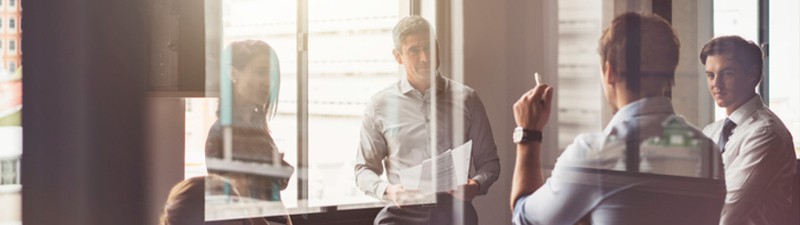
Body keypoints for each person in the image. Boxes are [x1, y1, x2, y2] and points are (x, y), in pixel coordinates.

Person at [510, 12, 726, 225]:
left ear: (610, 71)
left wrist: (528, 133)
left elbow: (524, 216)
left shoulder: (596, 153)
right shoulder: (708, 152)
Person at [354, 15, 500, 225]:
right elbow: (363, 170)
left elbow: (490, 163)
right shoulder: (379, 106)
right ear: (398, 56)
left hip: (454, 211)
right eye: (414, 50)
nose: (425, 57)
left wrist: (476, 185)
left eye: (429, 47)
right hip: (401, 212)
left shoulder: (467, 99)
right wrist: (387, 190)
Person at [699, 35, 796, 225]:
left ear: (752, 74)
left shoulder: (766, 133)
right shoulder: (711, 132)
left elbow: (725, 213)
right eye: (710, 75)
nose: (716, 84)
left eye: (727, 73)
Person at [205, 40, 294, 203]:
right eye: (261, 72)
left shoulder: (258, 130)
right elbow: (243, 206)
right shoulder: (224, 133)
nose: (269, 82)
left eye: (271, 75)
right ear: (233, 74)